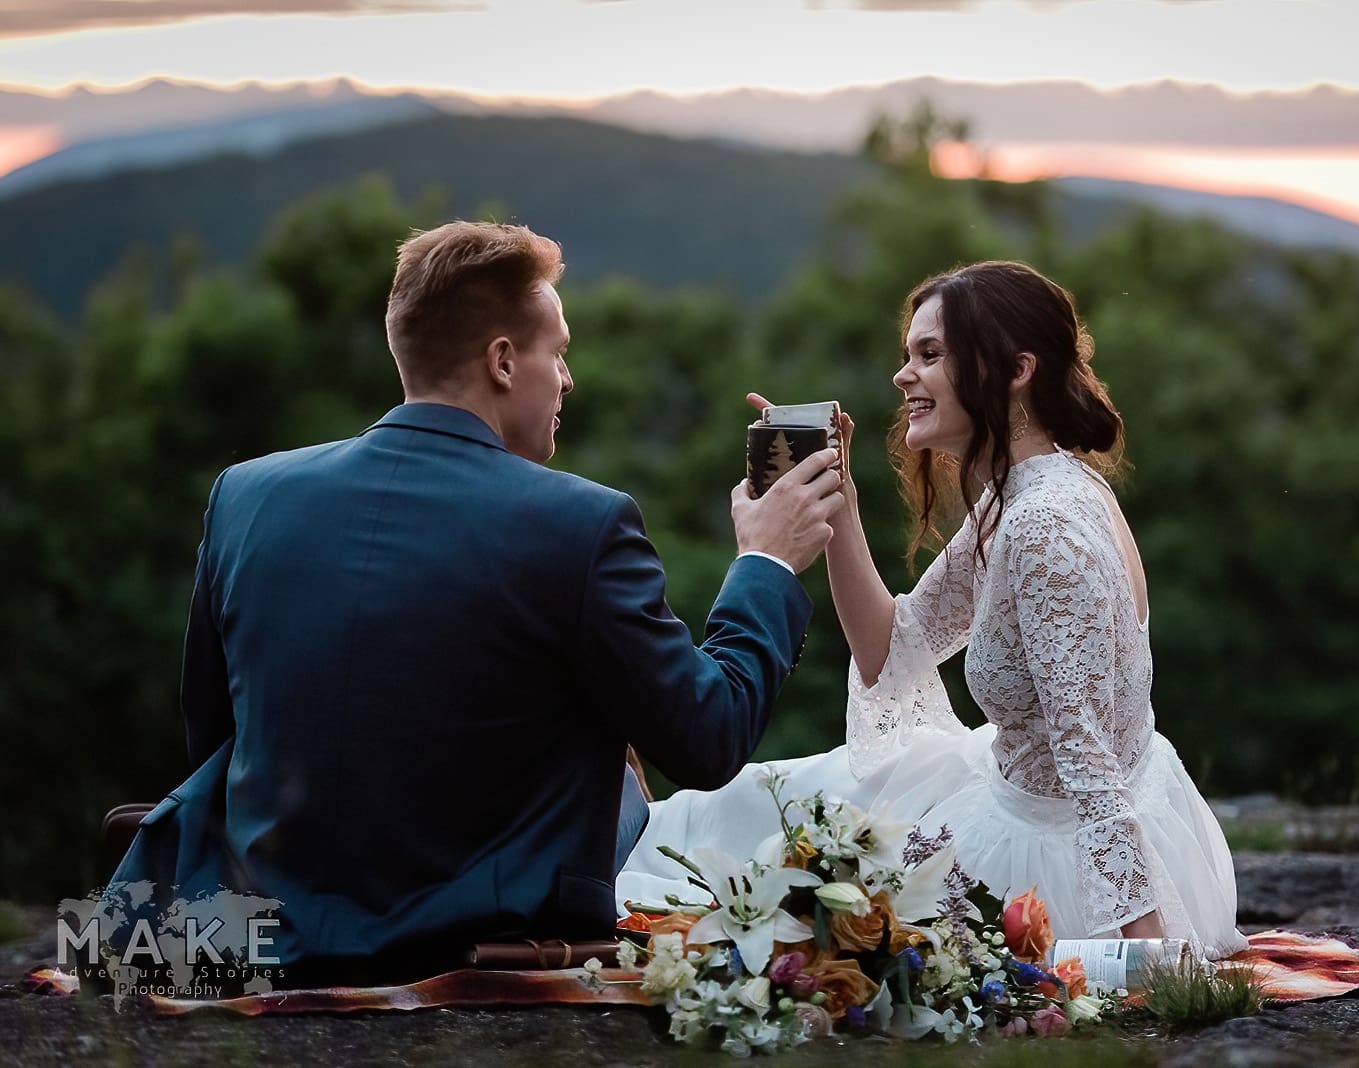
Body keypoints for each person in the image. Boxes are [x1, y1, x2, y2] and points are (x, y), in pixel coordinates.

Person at [109, 221, 845, 984]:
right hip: (471, 934)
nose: (567, 379)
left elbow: (214, 730)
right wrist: (766, 561)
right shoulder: (582, 523)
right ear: (501, 360)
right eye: (556, 352)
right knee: (627, 784)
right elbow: (707, 736)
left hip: (269, 925)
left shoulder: (246, 494)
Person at [618, 260, 1247, 960]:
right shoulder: (1019, 499)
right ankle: (617, 831)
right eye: (906, 355)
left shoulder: (1044, 525)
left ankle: (592, 857)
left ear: (1016, 371)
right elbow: (895, 646)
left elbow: (1089, 760)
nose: (902, 375)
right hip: (1012, 786)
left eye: (929, 355)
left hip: (1053, 859)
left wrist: (1148, 955)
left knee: (779, 907)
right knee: (763, 798)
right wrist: (840, 499)